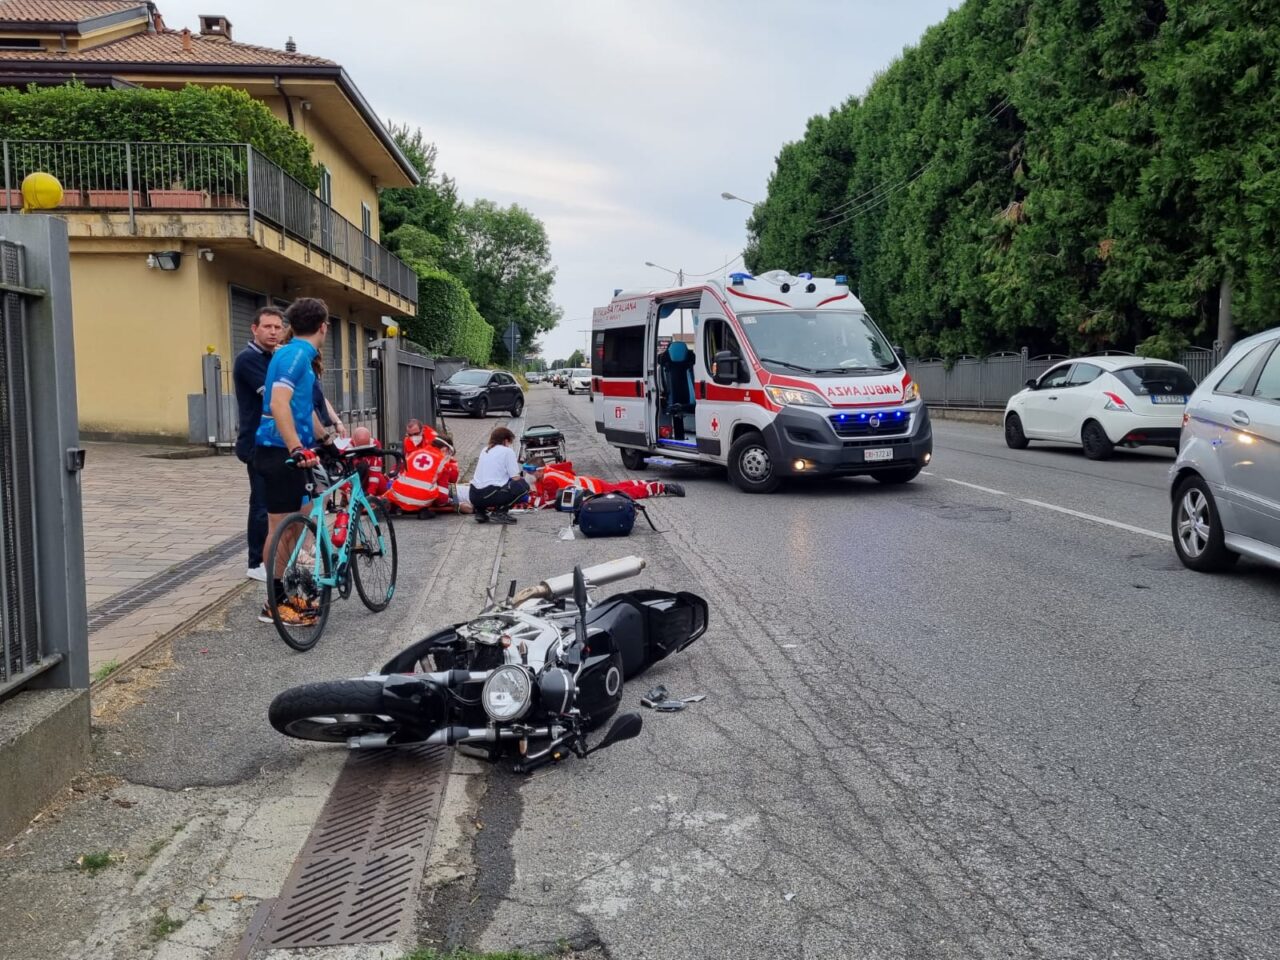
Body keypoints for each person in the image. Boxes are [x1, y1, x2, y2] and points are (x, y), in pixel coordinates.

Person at [253, 297, 335, 625]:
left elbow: (303, 408)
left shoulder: (299, 355)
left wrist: (327, 441)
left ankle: (293, 589)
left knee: (299, 524)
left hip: (291, 451)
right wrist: (296, 448)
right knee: (281, 530)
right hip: (278, 451)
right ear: (323, 327)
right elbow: (279, 403)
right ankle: (276, 602)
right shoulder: (296, 355)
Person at [232, 306, 284, 582]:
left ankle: (271, 554)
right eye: (268, 327)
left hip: (271, 441)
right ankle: (256, 562)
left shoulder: (271, 357)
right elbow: (273, 397)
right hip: (255, 442)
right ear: (254, 329)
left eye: (278, 327)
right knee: (261, 503)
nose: (274, 332)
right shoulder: (248, 359)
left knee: (273, 501)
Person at [525, 461, 685, 508]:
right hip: (591, 484)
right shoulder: (548, 470)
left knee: (627, 494)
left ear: (539, 471)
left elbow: (551, 502)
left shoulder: (548, 480)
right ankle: (645, 482)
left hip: (591, 492)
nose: (528, 475)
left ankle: (662, 488)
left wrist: (529, 501)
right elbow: (567, 468)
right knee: (621, 486)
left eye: (531, 472)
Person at [468, 427, 528, 524]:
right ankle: (500, 512)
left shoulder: (484, 450)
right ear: (505, 441)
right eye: (509, 443)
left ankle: (480, 512)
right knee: (523, 485)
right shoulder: (507, 452)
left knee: (492, 484)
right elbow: (515, 478)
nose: (509, 446)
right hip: (490, 494)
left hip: (473, 495)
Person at [349, 426, 390, 498]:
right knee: (361, 466)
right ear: (354, 441)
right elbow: (343, 475)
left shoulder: (375, 445)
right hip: (354, 479)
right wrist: (347, 490)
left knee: (382, 483)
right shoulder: (346, 448)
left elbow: (375, 471)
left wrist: (371, 493)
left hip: (370, 477)